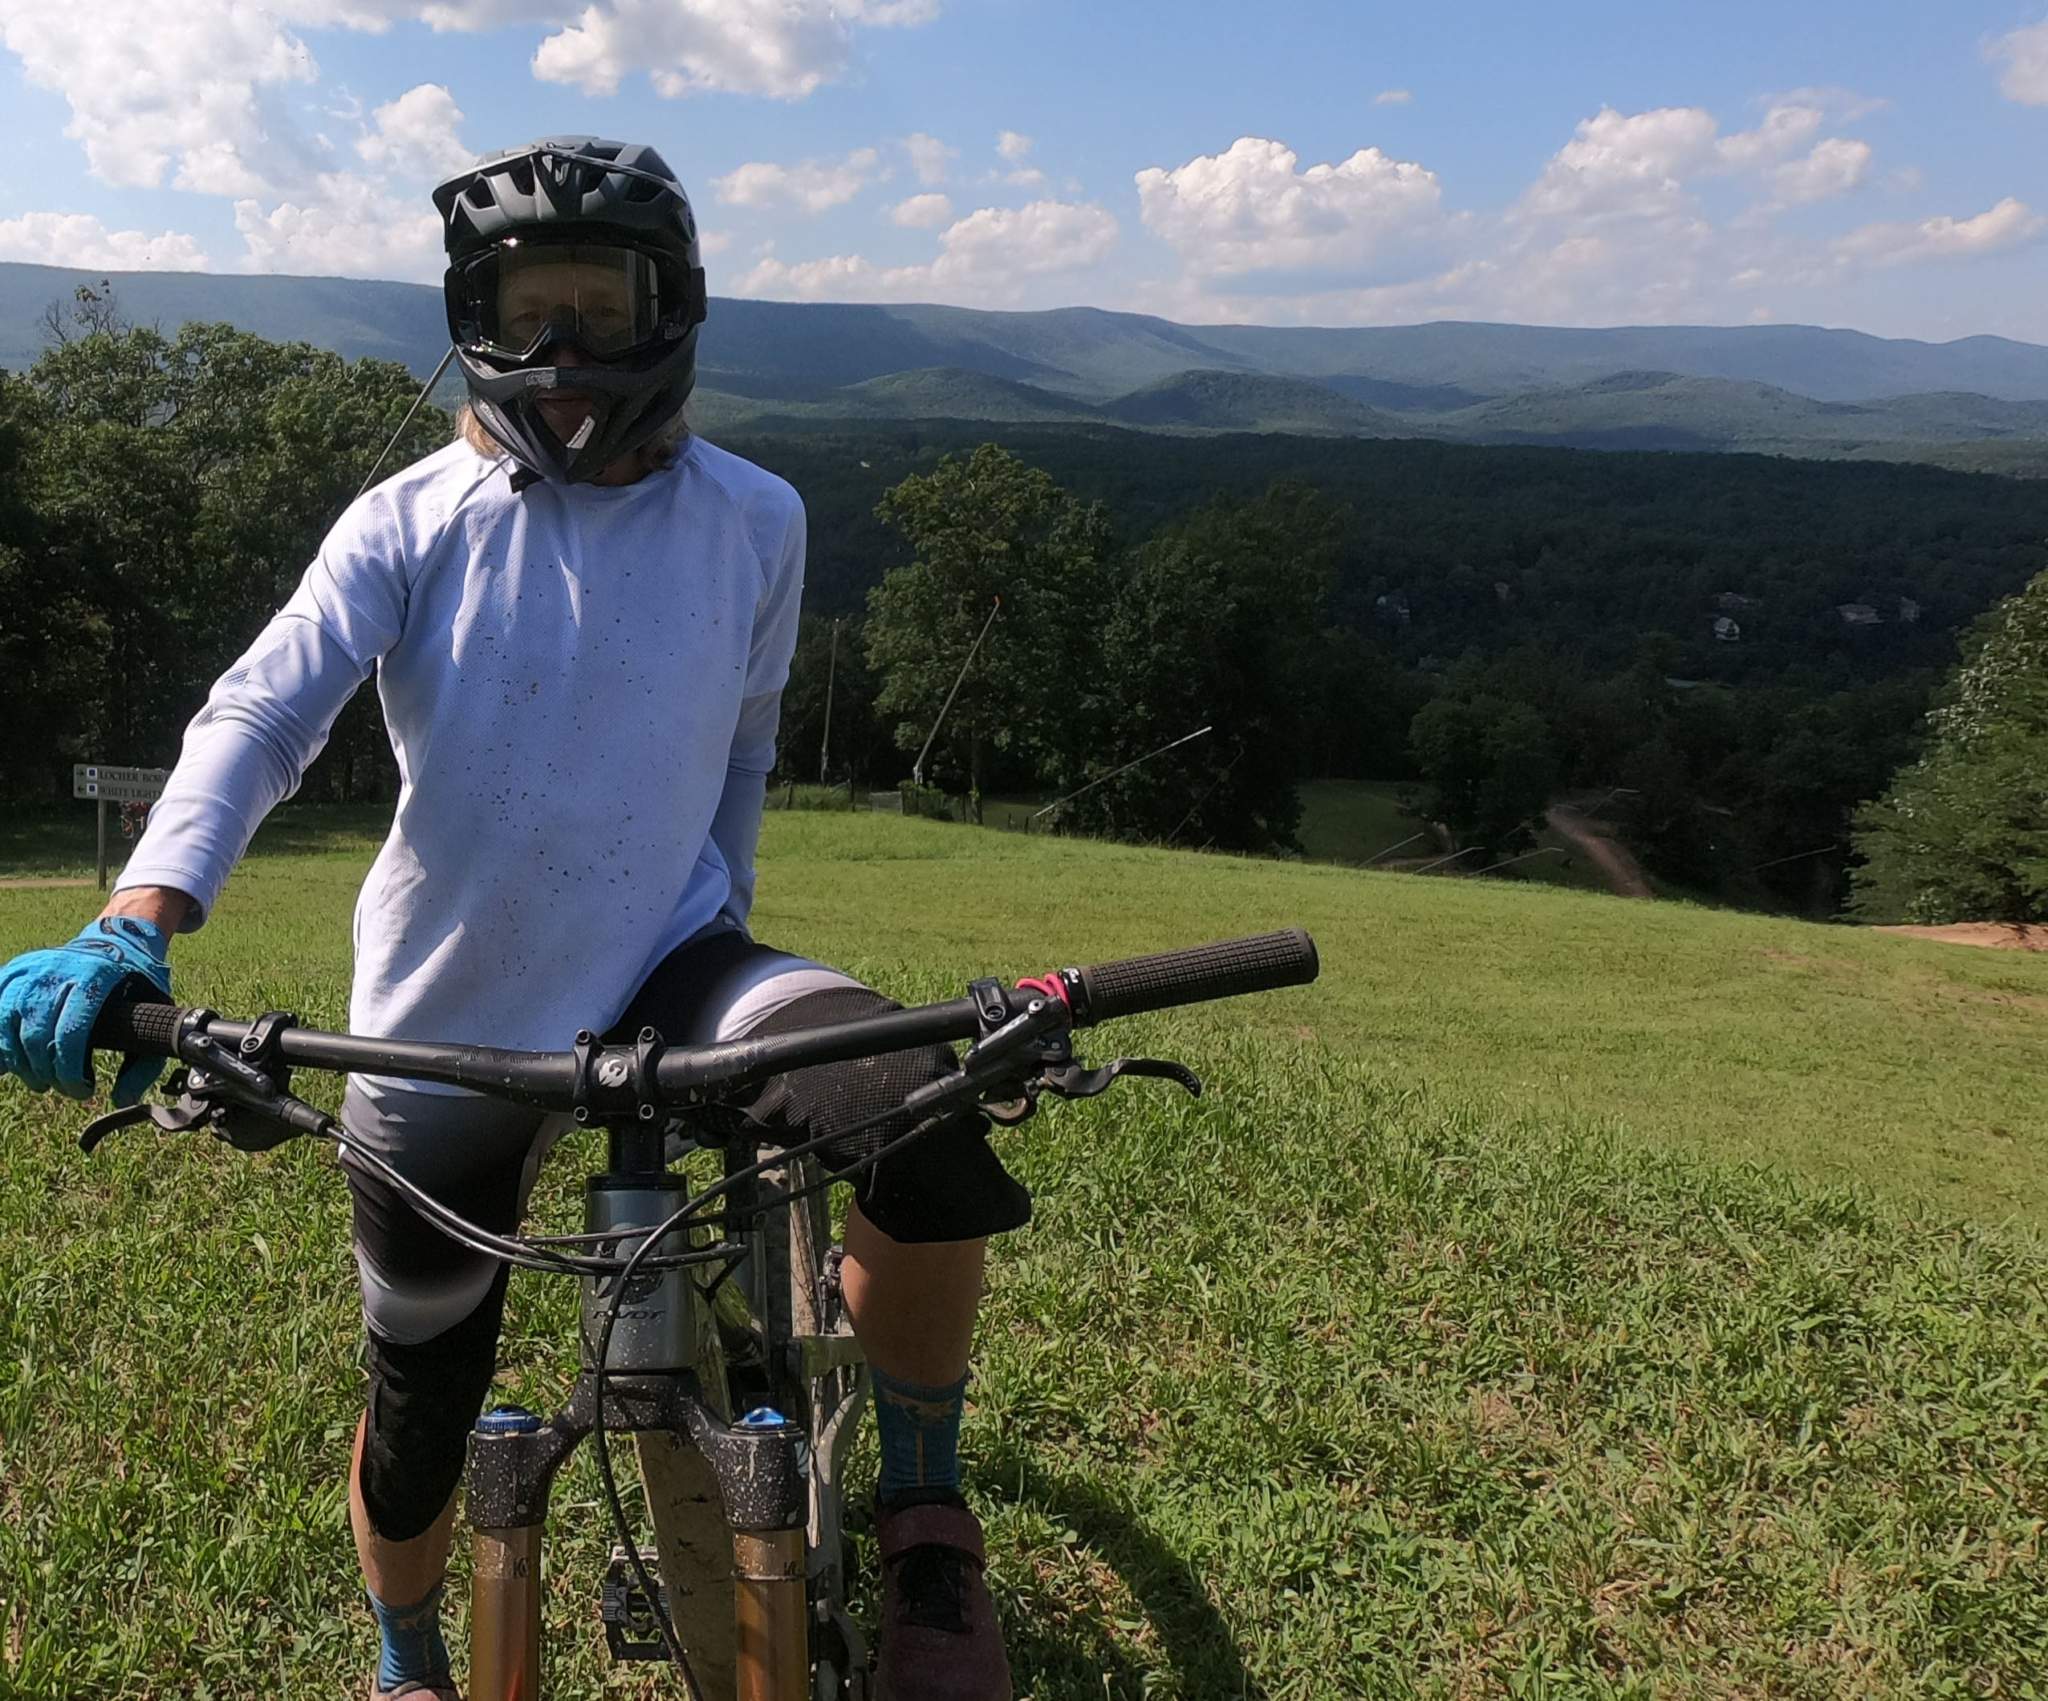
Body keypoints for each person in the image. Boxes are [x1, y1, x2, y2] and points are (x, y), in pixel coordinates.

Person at [0, 137, 1021, 1701]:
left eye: (595, 311)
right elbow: (264, 714)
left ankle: (925, 1522)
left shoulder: (758, 520)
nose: (560, 360)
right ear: (471, 316)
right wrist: (140, 911)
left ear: (667, 309)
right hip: (443, 1023)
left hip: (685, 969)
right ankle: (412, 1665)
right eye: (521, 313)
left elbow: (741, 753)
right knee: (419, 1420)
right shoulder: (407, 522)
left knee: (922, 1120)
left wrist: (732, 929)